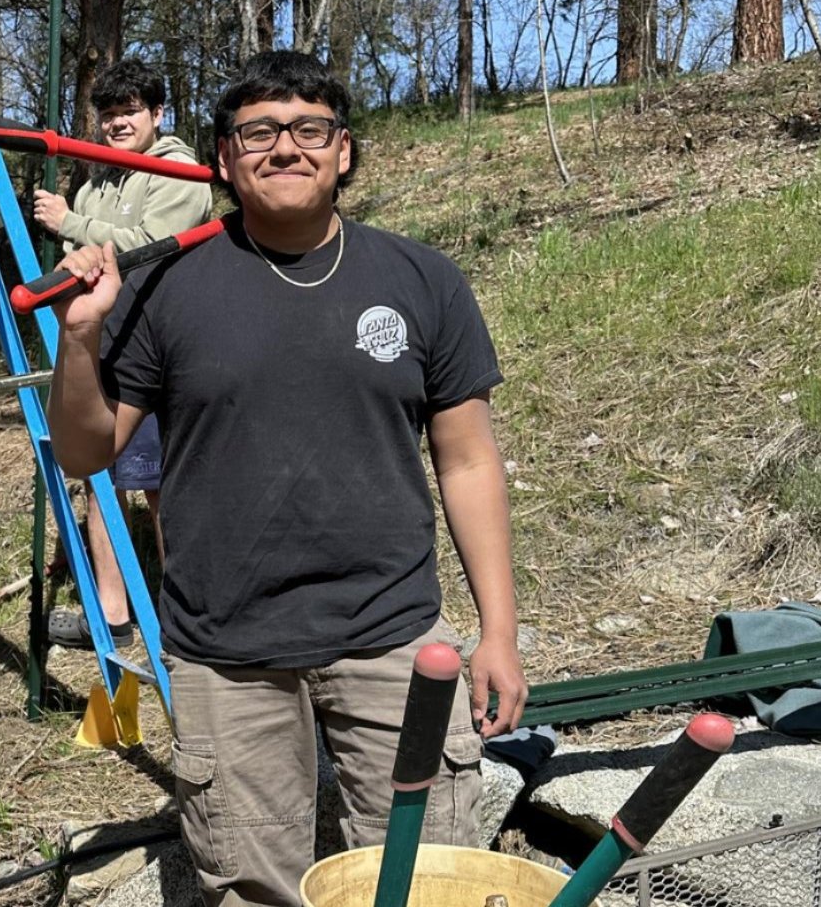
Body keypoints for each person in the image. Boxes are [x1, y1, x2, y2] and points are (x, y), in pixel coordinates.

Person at [46, 52, 527, 906]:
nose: (285, 148)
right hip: (226, 654)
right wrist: (81, 340)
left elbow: (468, 459)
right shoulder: (162, 284)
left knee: (423, 887)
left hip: (395, 638)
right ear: (224, 160)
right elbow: (86, 453)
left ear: (343, 151)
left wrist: (499, 631)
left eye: (310, 129)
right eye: (257, 133)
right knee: (252, 892)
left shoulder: (421, 280)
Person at [33, 59, 212, 650]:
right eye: (108, 115)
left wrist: (72, 222)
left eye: (130, 111)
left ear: (157, 115)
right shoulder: (93, 182)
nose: (117, 124)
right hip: (105, 344)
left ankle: (186, 620)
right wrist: (74, 231)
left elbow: (152, 248)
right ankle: (111, 616)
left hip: (163, 342)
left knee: (164, 484)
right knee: (99, 479)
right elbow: (74, 261)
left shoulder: (178, 170)